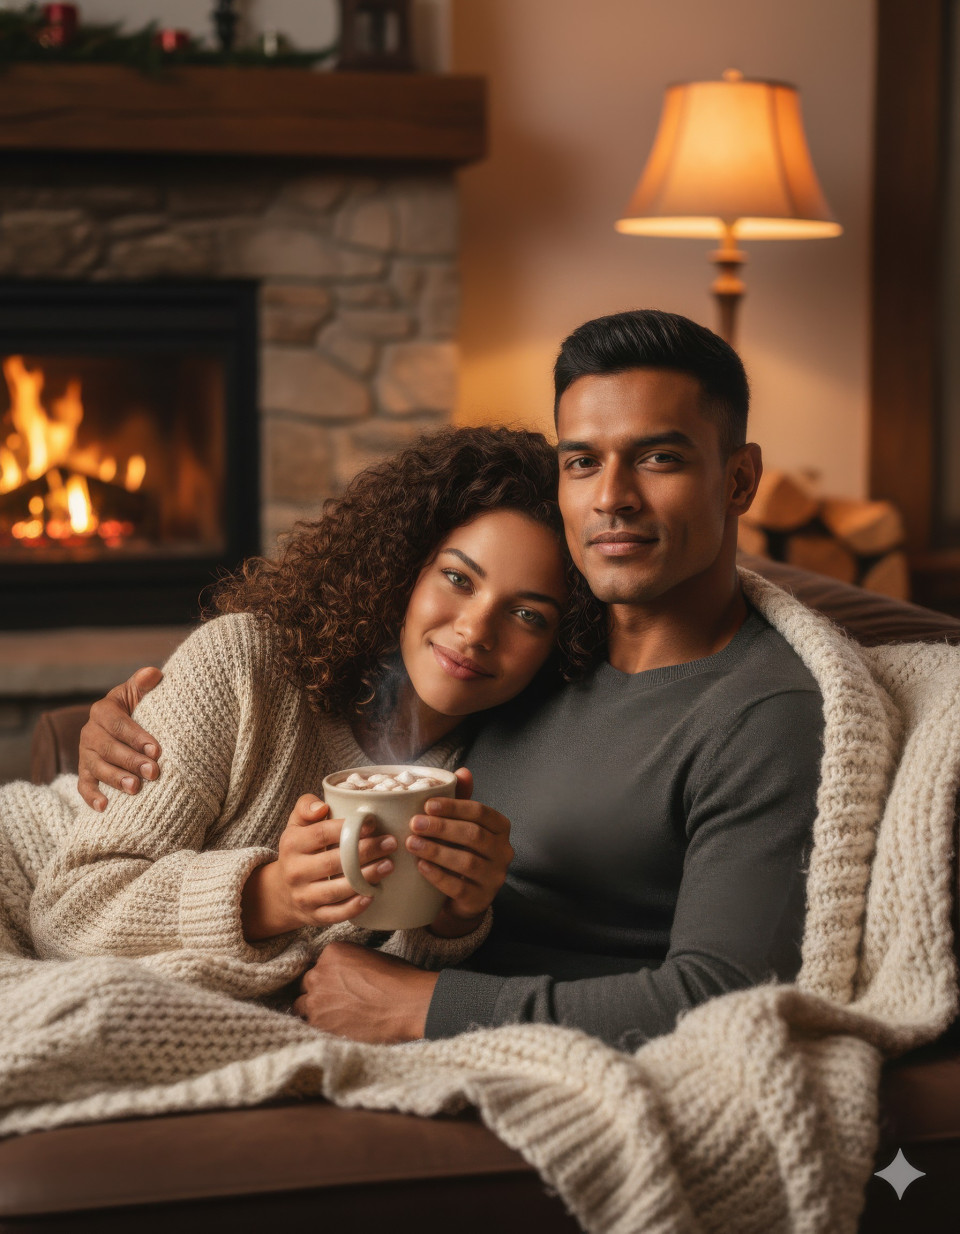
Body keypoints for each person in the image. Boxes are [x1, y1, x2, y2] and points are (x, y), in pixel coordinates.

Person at [79, 309, 824, 1052]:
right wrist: (138, 713)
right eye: (581, 461)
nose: (611, 497)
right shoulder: (541, 658)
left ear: (739, 479)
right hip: (301, 980)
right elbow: (330, 706)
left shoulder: (763, 713)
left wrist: (426, 1006)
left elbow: (728, 998)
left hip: (481, 1040)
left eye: (659, 458)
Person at [27, 426, 601, 1019]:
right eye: (458, 579)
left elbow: (375, 995)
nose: (476, 631)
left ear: (563, 645)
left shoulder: (506, 772)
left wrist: (454, 919)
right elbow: (69, 913)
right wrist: (273, 894)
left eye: (527, 615)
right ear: (406, 569)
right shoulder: (243, 666)